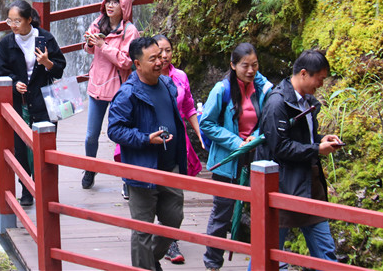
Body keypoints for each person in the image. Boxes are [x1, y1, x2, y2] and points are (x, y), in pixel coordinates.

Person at [108, 37, 187, 271]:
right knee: (143, 229)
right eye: (152, 58)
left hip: (170, 166)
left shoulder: (166, 84)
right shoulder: (128, 94)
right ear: (137, 64)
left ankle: (150, 259)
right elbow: (115, 129)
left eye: (160, 56)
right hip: (143, 171)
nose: (159, 62)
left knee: (173, 221)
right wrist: (145, 138)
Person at [256, 49, 342, 266]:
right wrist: (316, 149)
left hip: (311, 183)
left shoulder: (307, 102)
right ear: (304, 73)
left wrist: (322, 140)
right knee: (269, 252)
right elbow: (280, 147)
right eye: (320, 79)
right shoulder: (277, 104)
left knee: (325, 251)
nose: (321, 85)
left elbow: (305, 138)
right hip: (284, 185)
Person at [200, 42, 272, 271]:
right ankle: (212, 262)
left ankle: (259, 261)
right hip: (228, 160)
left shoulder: (263, 90)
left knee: (260, 210)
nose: (251, 71)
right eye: (245, 66)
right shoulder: (222, 90)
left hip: (255, 158)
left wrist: (256, 137)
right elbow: (207, 123)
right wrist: (237, 143)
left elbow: (269, 122)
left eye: (255, 65)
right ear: (233, 65)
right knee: (223, 211)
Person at [0, 0, 66, 207]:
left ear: (29, 20)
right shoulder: (7, 43)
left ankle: (46, 191)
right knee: (20, 148)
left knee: (45, 149)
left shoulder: (45, 39)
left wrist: (46, 62)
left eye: (17, 21)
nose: (13, 25)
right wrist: (15, 83)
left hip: (43, 102)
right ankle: (26, 189)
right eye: (10, 21)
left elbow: (59, 68)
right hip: (19, 103)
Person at [81, 0, 139, 190]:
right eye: (108, 1)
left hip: (119, 90)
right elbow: (89, 50)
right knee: (91, 135)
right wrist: (89, 42)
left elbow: (126, 62)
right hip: (97, 86)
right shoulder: (98, 23)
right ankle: (90, 167)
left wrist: (103, 45)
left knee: (122, 136)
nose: (110, 5)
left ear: (124, 6)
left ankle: (127, 179)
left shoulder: (130, 31)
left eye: (115, 2)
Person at [154, 34, 203, 265]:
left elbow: (189, 106)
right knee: (154, 190)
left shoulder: (180, 76)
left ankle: (170, 239)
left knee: (174, 193)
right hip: (152, 144)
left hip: (177, 143)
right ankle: (160, 236)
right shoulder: (145, 77)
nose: (164, 56)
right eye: (160, 51)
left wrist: (199, 134)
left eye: (169, 51)